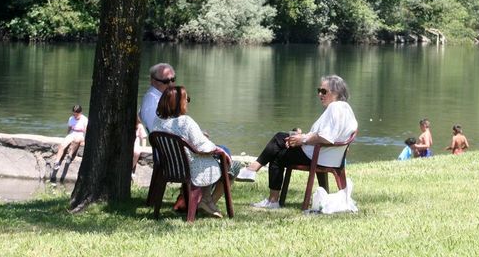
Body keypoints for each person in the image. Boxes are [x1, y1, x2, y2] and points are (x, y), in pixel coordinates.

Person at [235, 75, 358, 210]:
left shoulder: (334, 108)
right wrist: (301, 137)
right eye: (319, 90)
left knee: (278, 149)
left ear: (336, 93)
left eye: (324, 91)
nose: (319, 95)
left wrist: (303, 140)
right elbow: (333, 136)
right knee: (282, 140)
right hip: (328, 156)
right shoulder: (346, 109)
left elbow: (327, 138)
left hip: (318, 156)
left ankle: (260, 181)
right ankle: (257, 177)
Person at [152, 85, 236, 218]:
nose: (187, 102)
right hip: (192, 168)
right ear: (179, 102)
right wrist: (218, 149)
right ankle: (208, 201)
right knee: (232, 166)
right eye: (186, 99)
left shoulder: (157, 123)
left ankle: (205, 201)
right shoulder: (186, 122)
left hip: (171, 168)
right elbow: (203, 147)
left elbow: (182, 139)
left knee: (220, 156)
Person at [139, 63, 176, 132]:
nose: (171, 84)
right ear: (153, 81)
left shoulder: (160, 98)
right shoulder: (152, 101)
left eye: (173, 79)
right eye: (166, 81)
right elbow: (155, 130)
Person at [53, 105, 88, 170]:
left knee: (76, 140)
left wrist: (85, 140)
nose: (75, 116)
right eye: (74, 114)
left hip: (80, 134)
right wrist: (67, 137)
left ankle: (70, 155)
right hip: (72, 133)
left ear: (81, 113)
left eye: (77, 115)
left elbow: (86, 131)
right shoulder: (71, 118)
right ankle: (56, 162)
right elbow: (69, 129)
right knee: (62, 145)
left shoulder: (84, 119)